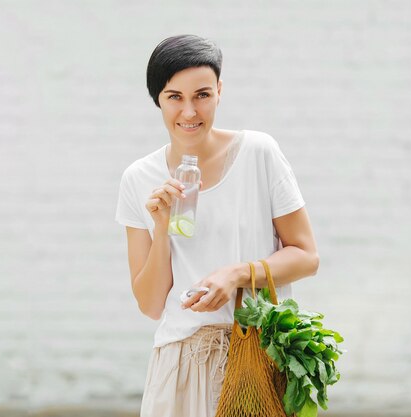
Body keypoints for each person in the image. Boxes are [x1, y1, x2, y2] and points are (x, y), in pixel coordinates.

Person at [115, 34, 319, 417]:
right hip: (178, 367)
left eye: (202, 95)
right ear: (157, 99)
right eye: (174, 97)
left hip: (257, 358)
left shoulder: (259, 153)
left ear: (220, 91)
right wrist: (162, 229)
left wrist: (237, 274)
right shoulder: (138, 178)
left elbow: (307, 256)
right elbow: (149, 303)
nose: (189, 112)